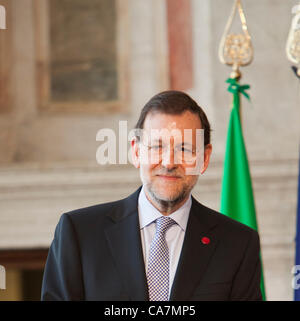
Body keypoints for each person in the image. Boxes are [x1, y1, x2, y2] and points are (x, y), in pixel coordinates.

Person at [41, 90, 262, 301]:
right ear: (137, 153)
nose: (169, 162)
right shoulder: (80, 233)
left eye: (184, 149)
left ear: (203, 159)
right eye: (157, 147)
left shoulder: (238, 243)